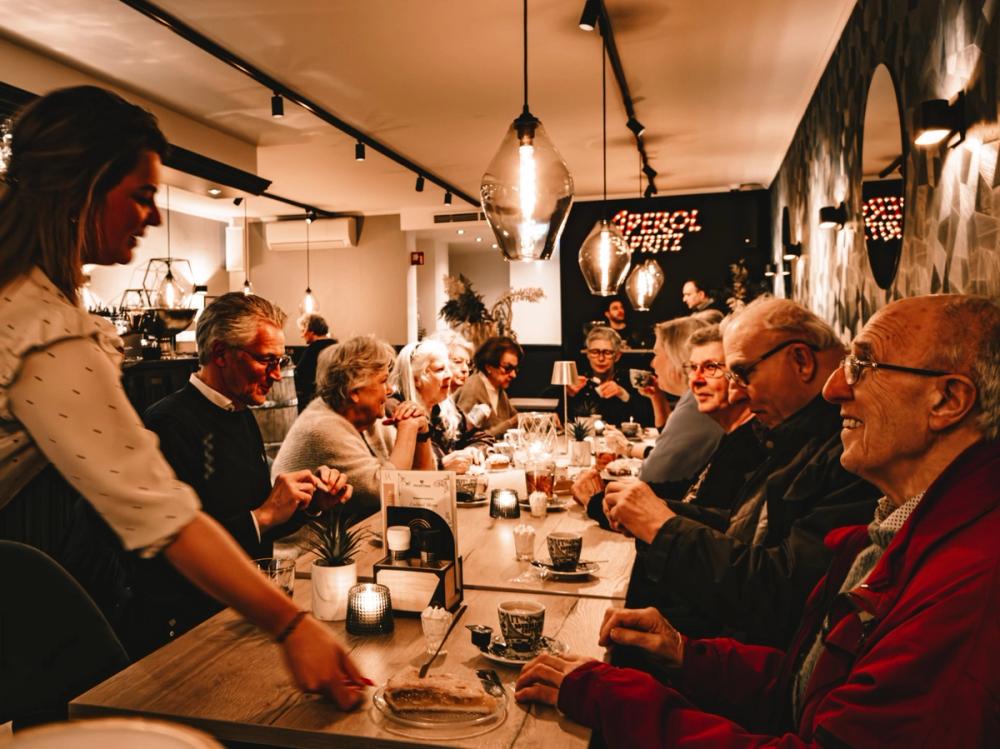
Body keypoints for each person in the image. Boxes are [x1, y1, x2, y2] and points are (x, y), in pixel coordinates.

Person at [0, 86, 365, 719]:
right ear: (85, 189)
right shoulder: (44, 329)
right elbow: (161, 516)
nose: (155, 216)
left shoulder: (28, 299)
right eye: (142, 195)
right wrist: (292, 627)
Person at [515, 294, 1000, 748]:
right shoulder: (902, 525)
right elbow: (806, 687)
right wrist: (685, 653)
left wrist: (615, 697)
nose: (835, 388)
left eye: (862, 366)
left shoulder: (971, 584)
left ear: (947, 400)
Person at [602, 297, 879, 647]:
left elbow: (782, 594)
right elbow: (745, 528)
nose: (736, 389)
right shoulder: (795, 433)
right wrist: (657, 512)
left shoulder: (851, 449)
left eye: (743, 373)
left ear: (801, 361)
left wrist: (663, 527)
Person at [133, 294, 351, 657]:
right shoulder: (167, 424)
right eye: (267, 360)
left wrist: (309, 505)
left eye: (281, 360)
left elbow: (256, 522)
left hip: (243, 613)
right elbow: (167, 555)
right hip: (190, 634)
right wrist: (264, 514)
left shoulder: (240, 413)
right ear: (222, 354)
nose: (278, 374)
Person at [272, 335, 436, 518]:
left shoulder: (370, 420)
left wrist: (422, 433)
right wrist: (408, 429)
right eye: (383, 381)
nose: (390, 390)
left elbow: (425, 485)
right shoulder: (321, 428)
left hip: (362, 534)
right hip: (316, 545)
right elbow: (385, 490)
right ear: (355, 392)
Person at [388, 339, 489, 473]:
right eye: (440, 369)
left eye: (448, 368)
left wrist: (472, 450)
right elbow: (401, 470)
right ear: (416, 379)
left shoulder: (444, 408)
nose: (449, 375)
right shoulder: (399, 410)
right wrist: (442, 465)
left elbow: (483, 438)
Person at [454, 336, 524, 437]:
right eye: (508, 368)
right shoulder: (473, 388)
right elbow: (462, 438)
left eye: (515, 369)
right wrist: (510, 424)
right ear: (489, 367)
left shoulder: (499, 390)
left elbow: (517, 419)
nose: (513, 375)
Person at [566, 326, 636, 427]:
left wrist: (623, 395)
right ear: (587, 354)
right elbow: (565, 420)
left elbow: (645, 418)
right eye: (595, 352)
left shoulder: (629, 380)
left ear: (617, 356)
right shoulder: (579, 383)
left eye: (607, 352)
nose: (601, 358)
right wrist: (568, 395)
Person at [293, 312, 336, 413]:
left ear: (310, 331)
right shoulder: (336, 346)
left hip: (315, 404)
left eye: (303, 331)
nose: (301, 335)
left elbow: (299, 377)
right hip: (334, 402)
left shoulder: (312, 350)